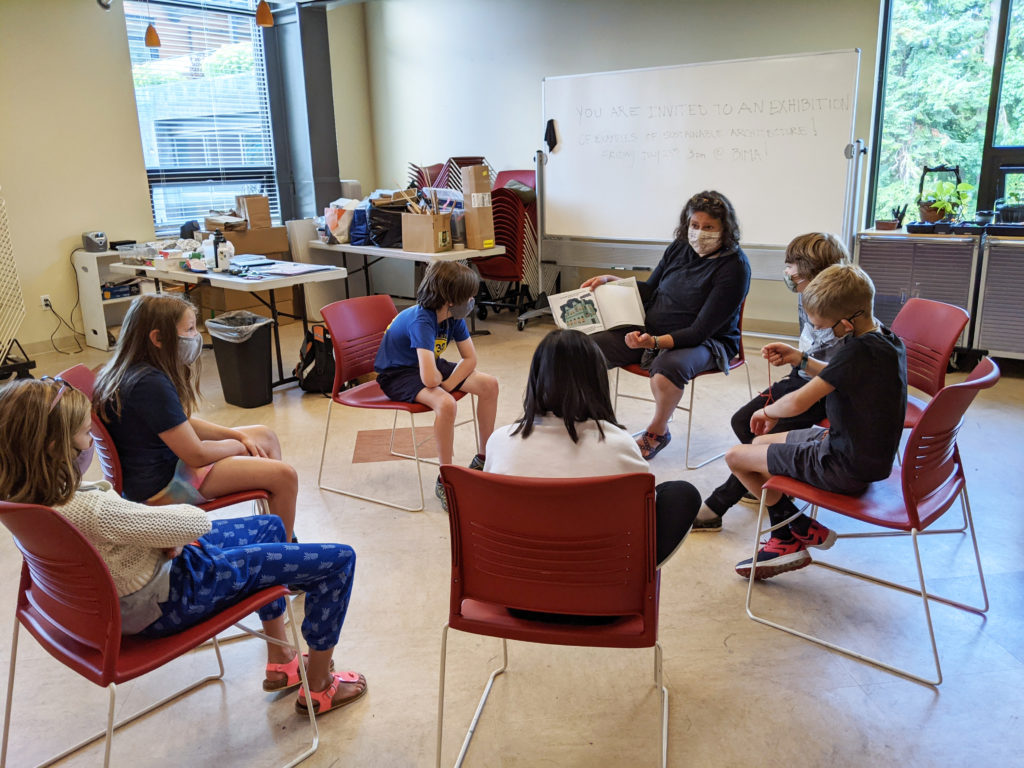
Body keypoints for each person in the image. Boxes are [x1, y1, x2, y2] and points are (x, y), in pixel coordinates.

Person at [0, 378, 366, 716]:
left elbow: (136, 529)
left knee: (270, 525)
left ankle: (282, 659)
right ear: (53, 447)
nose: (90, 444)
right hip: (172, 596)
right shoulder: (90, 509)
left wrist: (161, 537)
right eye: (85, 435)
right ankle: (320, 686)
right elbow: (194, 522)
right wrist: (167, 535)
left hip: (134, 592)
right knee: (339, 560)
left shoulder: (23, 498)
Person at [725, 264, 907, 579]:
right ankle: (797, 526)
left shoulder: (859, 352)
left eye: (824, 326)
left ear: (849, 321)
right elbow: (841, 373)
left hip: (842, 466)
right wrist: (800, 359)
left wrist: (765, 411)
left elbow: (799, 401)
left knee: (736, 457)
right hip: (856, 451)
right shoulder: (885, 339)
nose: (820, 331)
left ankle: (786, 536)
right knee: (757, 444)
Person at [93, 293, 299, 541]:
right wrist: (236, 445)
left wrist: (236, 434)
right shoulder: (150, 383)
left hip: (157, 472)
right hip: (161, 488)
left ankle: (276, 528)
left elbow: (180, 422)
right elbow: (196, 454)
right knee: (285, 476)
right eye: (189, 330)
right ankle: (284, 555)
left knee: (263, 435)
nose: (196, 336)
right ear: (158, 338)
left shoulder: (128, 370)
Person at [485, 329, 699, 566]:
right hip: (597, 582)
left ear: (536, 378)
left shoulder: (500, 440)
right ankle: (638, 579)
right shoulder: (619, 444)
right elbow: (643, 516)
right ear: (597, 380)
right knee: (680, 494)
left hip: (516, 578)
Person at [694, 232, 848, 532]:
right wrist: (795, 357)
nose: (788, 272)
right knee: (744, 422)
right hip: (803, 377)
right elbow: (811, 347)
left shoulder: (843, 314)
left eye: (794, 266)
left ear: (818, 275)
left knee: (752, 428)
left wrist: (800, 361)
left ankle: (718, 505)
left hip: (826, 390)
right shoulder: (808, 297)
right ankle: (761, 480)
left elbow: (838, 376)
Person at [582, 190, 751, 460]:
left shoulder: (735, 267)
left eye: (709, 227)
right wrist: (613, 281)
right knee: (586, 348)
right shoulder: (680, 247)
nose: (699, 233)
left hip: (707, 341)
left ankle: (658, 430)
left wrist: (655, 343)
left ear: (725, 229)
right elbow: (650, 290)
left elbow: (700, 331)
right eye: (694, 226)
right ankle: (589, 418)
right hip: (653, 329)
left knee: (667, 367)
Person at [373, 260, 499, 511]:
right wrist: (444, 388)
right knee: (446, 403)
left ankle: (484, 458)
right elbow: (431, 380)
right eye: (469, 295)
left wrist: (449, 383)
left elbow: (471, 359)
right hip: (397, 374)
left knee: (489, 384)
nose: (473, 299)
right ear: (451, 299)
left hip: (428, 364)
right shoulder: (422, 320)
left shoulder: (454, 315)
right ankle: (446, 476)